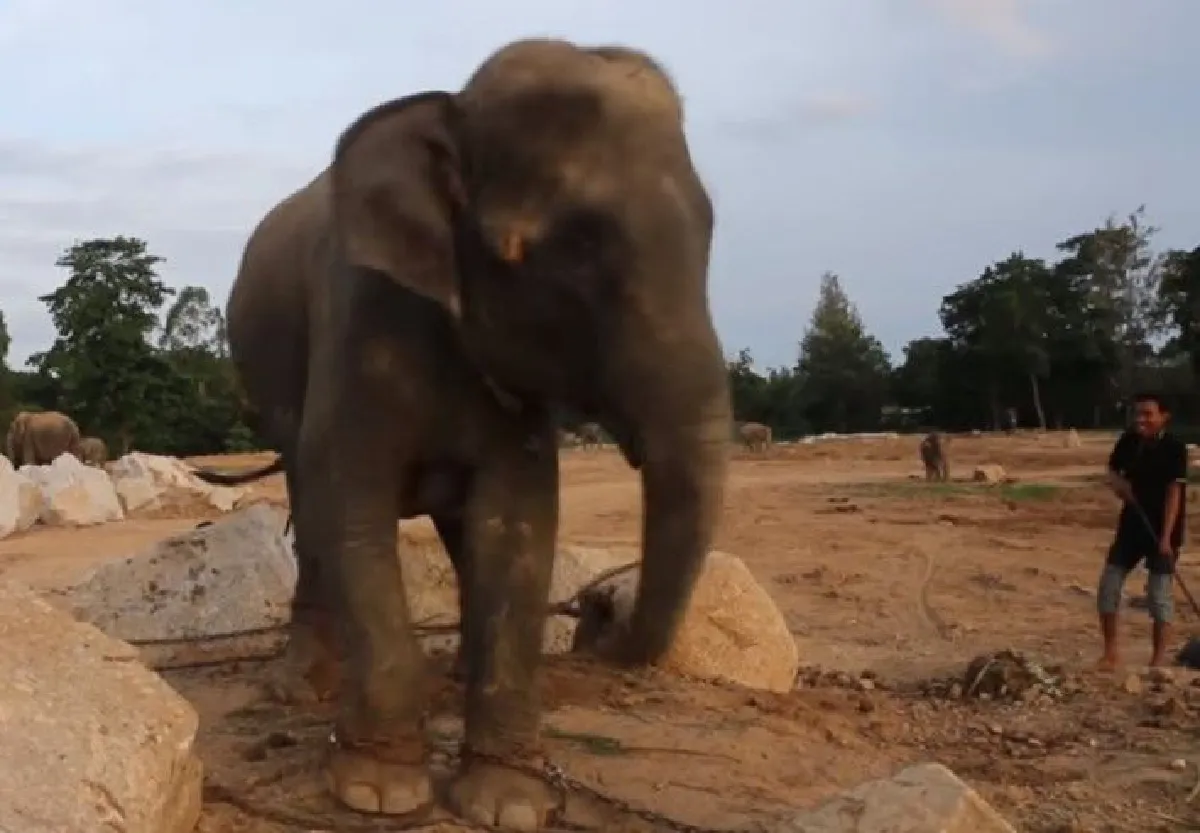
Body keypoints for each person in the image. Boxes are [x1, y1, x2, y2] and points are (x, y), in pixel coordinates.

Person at [1096, 392, 1189, 669]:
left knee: (1158, 596)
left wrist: (1165, 539)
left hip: (1163, 530)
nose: (1141, 419)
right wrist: (1119, 485)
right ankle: (1110, 653)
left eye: (1148, 414)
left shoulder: (1174, 448)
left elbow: (1175, 494)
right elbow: (1112, 471)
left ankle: (1158, 661)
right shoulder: (1129, 441)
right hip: (1131, 526)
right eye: (1138, 413)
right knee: (1108, 587)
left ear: (1164, 417)